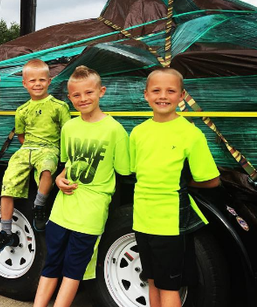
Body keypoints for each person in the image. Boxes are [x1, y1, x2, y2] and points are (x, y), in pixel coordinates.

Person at [33, 65, 130, 307]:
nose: (83, 99)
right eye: (76, 95)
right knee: (51, 261)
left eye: (89, 93)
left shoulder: (114, 130)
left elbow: (125, 170)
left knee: (74, 267)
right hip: (63, 208)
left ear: (101, 92)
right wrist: (58, 178)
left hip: (91, 210)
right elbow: (68, 164)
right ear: (69, 97)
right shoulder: (69, 128)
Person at [130, 67, 220, 307]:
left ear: (181, 96)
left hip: (170, 224)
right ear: (146, 95)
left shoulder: (191, 134)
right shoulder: (138, 133)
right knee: (151, 280)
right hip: (142, 220)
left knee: (169, 286)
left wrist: (184, 182)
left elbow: (211, 179)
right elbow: (135, 170)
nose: (163, 96)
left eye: (171, 91)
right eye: (156, 90)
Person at [0, 59, 71, 252]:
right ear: (24, 84)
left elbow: (67, 132)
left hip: (49, 147)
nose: (37, 84)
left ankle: (39, 206)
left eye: (42, 80)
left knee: (48, 167)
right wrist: (29, 151)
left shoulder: (59, 106)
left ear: (49, 81)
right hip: (27, 148)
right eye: (32, 81)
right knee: (7, 183)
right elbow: (21, 135)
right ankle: (5, 232)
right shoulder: (22, 110)